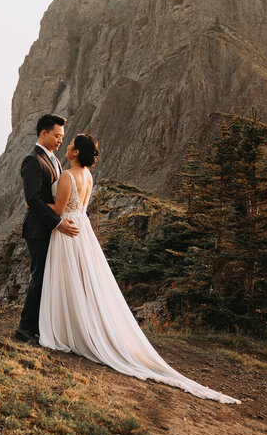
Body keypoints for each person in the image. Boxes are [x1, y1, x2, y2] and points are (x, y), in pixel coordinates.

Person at [38, 133, 240, 404]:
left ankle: (68, 329)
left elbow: (59, 209)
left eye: (71, 142)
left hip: (68, 231)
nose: (68, 145)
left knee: (68, 279)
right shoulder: (87, 176)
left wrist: (34, 204)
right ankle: (80, 326)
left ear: (76, 152)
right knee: (84, 280)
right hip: (83, 229)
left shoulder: (67, 176)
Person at [15, 114, 78, 344]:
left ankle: (41, 326)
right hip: (38, 229)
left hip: (49, 227)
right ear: (43, 133)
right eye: (57, 135)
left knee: (48, 277)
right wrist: (58, 223)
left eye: (62, 136)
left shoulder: (55, 160)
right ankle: (24, 329)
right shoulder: (32, 160)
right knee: (39, 277)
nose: (61, 140)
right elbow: (32, 198)